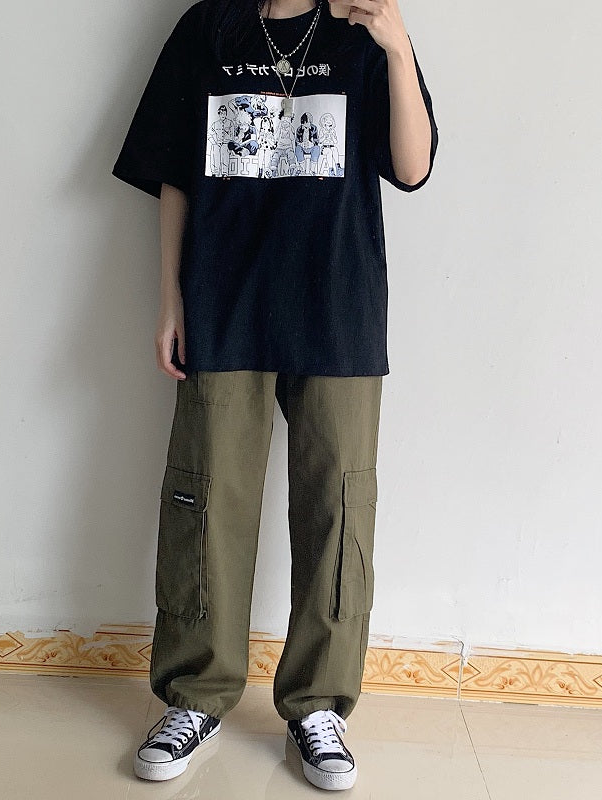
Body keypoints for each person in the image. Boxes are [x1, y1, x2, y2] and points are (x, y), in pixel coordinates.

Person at [111, 0, 438, 790]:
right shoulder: (207, 28)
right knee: (207, 498)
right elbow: (175, 173)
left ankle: (318, 705)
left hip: (337, 305)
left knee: (338, 504)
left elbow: (413, 166)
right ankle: (195, 695)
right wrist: (170, 299)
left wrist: (397, 47)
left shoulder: (364, 31)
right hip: (224, 300)